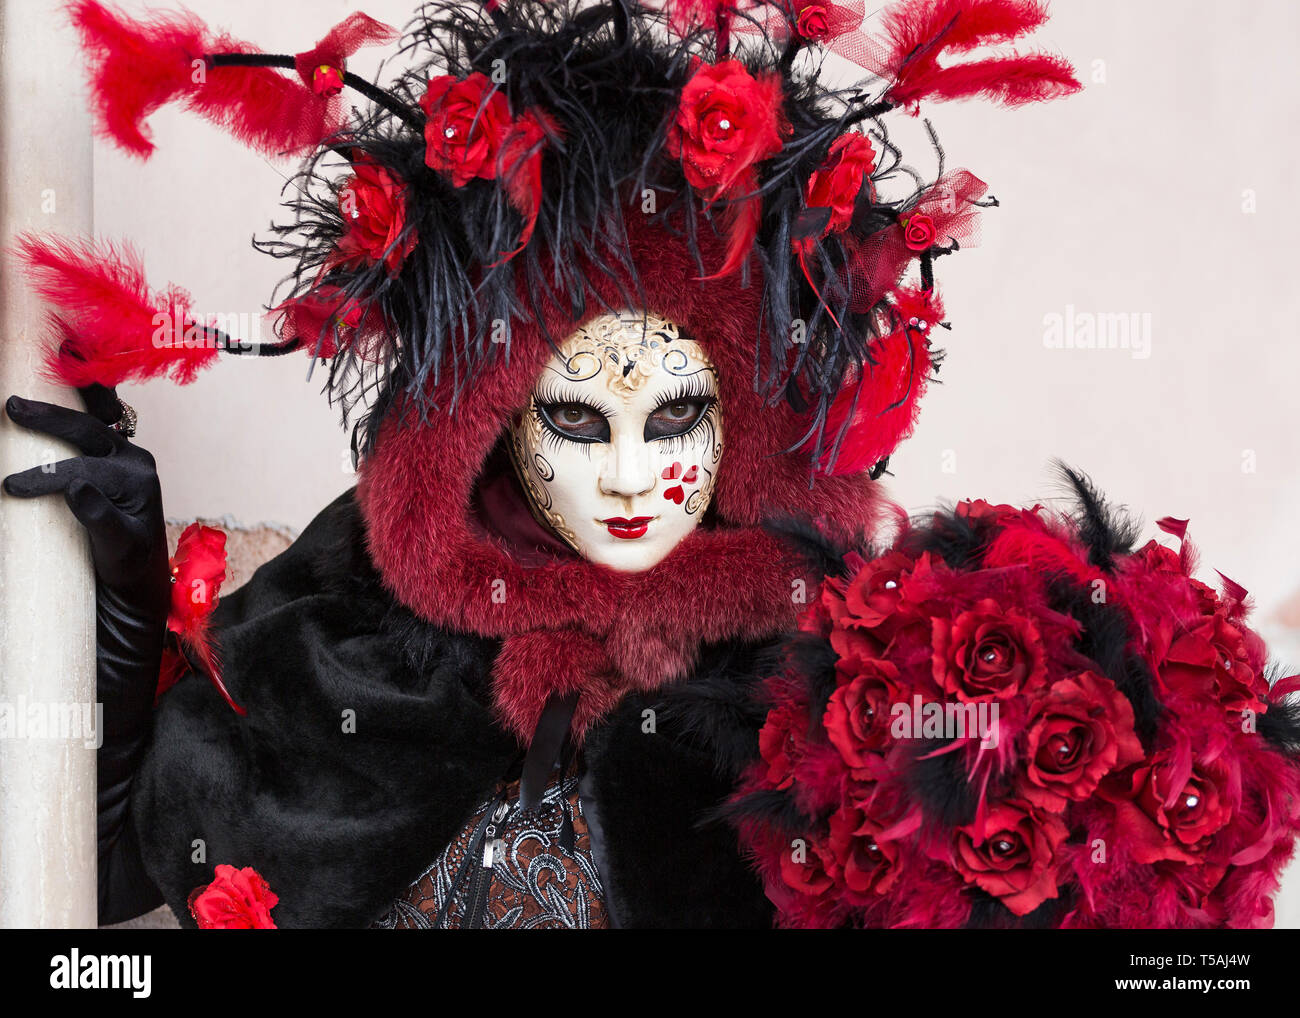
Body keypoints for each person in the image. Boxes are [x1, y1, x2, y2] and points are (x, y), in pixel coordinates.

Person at [10, 0, 1298, 930]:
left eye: (675, 417)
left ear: (737, 429)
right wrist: (122, 599)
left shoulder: (827, 683)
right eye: (577, 423)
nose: (632, 475)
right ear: (496, 428)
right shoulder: (358, 630)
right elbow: (116, 896)